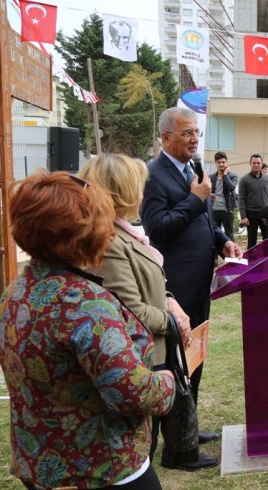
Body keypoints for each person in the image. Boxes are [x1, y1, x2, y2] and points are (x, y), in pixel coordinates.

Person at [0, 171, 175, 489]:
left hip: (41, 462)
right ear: (84, 234)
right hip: (100, 468)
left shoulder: (17, 290)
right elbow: (131, 393)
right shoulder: (83, 304)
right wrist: (165, 384)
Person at [78, 154, 197, 468]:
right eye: (138, 185)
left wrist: (168, 298)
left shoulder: (126, 231)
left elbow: (147, 285)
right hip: (139, 360)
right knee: (138, 449)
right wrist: (172, 319)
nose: (143, 192)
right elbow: (130, 312)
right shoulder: (109, 241)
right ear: (122, 191)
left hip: (152, 355)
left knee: (146, 440)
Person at [141, 107, 241, 464]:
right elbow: (158, 228)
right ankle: (175, 449)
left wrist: (223, 241)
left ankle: (187, 426)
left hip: (201, 282)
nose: (195, 139)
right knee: (175, 364)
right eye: (186, 133)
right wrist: (195, 198)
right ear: (166, 138)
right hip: (175, 289)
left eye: (197, 132)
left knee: (194, 360)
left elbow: (202, 222)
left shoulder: (194, 171)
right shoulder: (154, 176)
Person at [239, 154, 268, 248]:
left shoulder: (266, 179)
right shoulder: (244, 180)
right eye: (254, 163)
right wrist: (243, 216)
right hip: (251, 215)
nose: (256, 165)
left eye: (258, 163)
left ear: (261, 164)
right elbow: (241, 199)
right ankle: (252, 262)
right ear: (250, 164)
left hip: (266, 215)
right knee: (252, 242)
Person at [210, 151, 239, 240]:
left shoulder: (232, 176)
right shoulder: (211, 177)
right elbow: (207, 191)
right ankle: (215, 254)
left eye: (223, 162)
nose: (221, 164)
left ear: (226, 162)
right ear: (215, 163)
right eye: (219, 162)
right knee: (214, 235)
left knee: (229, 235)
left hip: (227, 210)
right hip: (214, 210)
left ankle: (231, 254)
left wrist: (225, 175)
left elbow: (232, 187)